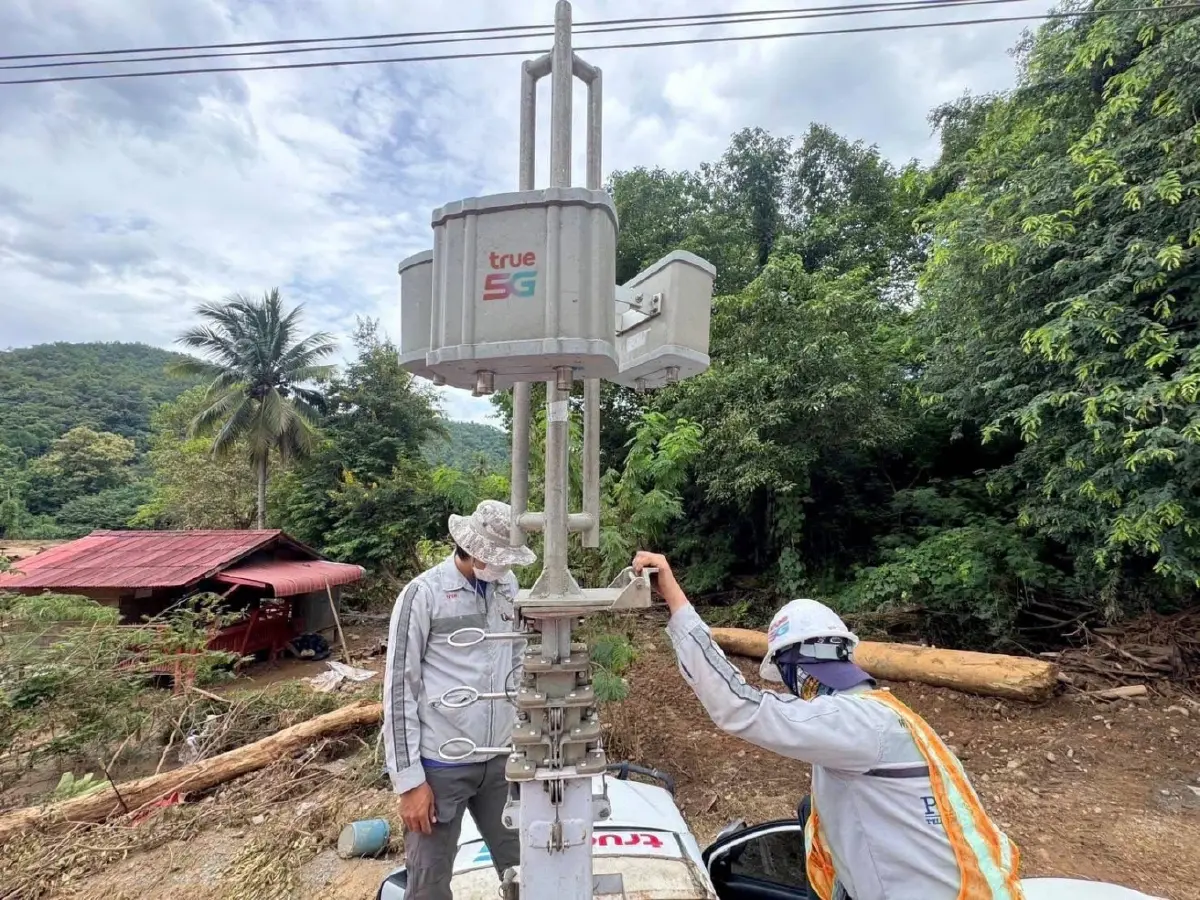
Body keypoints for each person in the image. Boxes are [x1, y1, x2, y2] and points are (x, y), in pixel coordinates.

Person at [632, 551, 1024, 900]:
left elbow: (737, 705)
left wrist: (674, 598)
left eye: (787, 674)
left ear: (797, 667)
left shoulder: (858, 722)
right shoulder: (889, 716)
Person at [384, 500, 535, 900]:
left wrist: (523, 735)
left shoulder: (508, 588)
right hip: (441, 763)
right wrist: (409, 782)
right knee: (429, 882)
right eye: (497, 559)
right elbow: (399, 689)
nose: (504, 568)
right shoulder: (423, 594)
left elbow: (516, 661)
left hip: (501, 760)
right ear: (472, 549)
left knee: (525, 868)